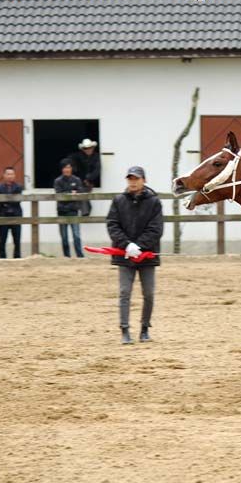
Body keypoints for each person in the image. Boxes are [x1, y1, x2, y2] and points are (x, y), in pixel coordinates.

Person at [107, 166, 163, 345]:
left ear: (143, 180)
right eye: (130, 179)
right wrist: (127, 245)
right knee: (125, 292)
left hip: (147, 255)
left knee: (149, 293)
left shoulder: (154, 202)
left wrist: (139, 246)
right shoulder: (118, 201)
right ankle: (124, 329)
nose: (132, 182)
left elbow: (156, 229)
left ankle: (145, 328)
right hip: (124, 255)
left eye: (136, 179)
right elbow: (113, 225)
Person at [54, 159, 85, 258]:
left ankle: (79, 255)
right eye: (65, 167)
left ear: (71, 169)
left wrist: (71, 195)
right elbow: (59, 195)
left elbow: (80, 192)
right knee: (64, 237)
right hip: (62, 211)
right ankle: (66, 256)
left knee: (76, 235)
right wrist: (71, 194)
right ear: (62, 169)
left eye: (69, 167)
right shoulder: (58, 181)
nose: (67, 169)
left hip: (73, 211)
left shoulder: (76, 180)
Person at [0, 167, 23, 258]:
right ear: (4, 175)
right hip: (3, 215)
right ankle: (2, 258)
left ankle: (17, 257)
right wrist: (8, 202)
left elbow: (18, 200)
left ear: (14, 176)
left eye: (12, 174)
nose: (10, 176)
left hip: (16, 215)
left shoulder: (18, 186)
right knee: (2, 239)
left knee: (17, 240)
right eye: (8, 174)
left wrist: (7, 202)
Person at [69, 138, 101, 216]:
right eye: (86, 148)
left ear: (93, 148)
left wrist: (89, 179)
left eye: (89, 148)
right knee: (79, 190)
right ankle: (86, 210)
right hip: (80, 181)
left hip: (92, 182)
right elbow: (72, 165)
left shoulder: (96, 157)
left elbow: (97, 170)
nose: (88, 150)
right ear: (83, 149)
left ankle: (85, 211)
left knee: (81, 191)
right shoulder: (77, 156)